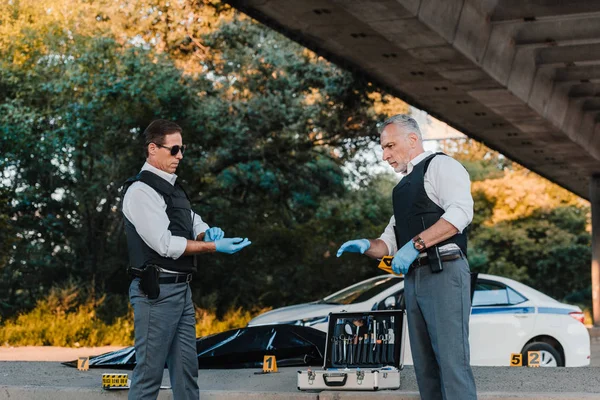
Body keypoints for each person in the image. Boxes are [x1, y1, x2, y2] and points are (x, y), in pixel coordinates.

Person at [337, 114, 477, 400]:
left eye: (390, 146)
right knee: (425, 369)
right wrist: (365, 245)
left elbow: (460, 214)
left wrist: (416, 245)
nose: (385, 155)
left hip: (445, 272)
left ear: (413, 139)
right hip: (415, 279)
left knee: (452, 365)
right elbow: (388, 243)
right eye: (383, 149)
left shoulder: (441, 166)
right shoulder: (402, 190)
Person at [121, 119, 251, 400]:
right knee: (149, 374)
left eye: (182, 149)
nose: (180, 155)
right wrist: (214, 247)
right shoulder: (141, 191)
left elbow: (192, 220)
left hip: (181, 290)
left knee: (186, 371)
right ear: (153, 149)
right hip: (157, 292)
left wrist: (207, 232)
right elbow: (165, 244)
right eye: (175, 149)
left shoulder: (173, 188)